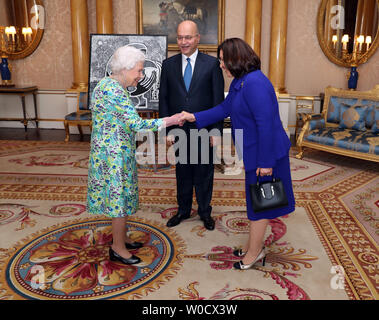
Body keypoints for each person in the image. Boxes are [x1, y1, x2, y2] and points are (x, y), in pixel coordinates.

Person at [179, 38, 295, 270]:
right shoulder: (240, 82)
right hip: (255, 152)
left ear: (235, 59)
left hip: (267, 153)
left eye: (223, 60)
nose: (221, 65)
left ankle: (254, 253)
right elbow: (225, 108)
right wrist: (194, 116)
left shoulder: (256, 84)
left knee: (260, 204)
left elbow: (265, 125)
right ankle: (254, 246)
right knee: (257, 201)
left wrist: (266, 163)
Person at [86, 45, 181, 265]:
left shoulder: (110, 85)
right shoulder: (112, 90)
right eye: (138, 70)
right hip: (112, 156)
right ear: (125, 69)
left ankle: (122, 237)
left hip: (116, 151)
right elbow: (137, 124)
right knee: (119, 201)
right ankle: (118, 248)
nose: (141, 75)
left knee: (123, 196)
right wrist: (172, 119)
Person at [159, 20, 225, 231]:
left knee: (204, 173)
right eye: (180, 37)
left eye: (188, 37)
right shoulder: (168, 65)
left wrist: (216, 131)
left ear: (198, 38)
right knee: (183, 172)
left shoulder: (212, 64)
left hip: (204, 130)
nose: (183, 42)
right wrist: (167, 130)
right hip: (179, 130)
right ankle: (183, 210)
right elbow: (164, 99)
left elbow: (218, 101)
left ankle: (205, 212)